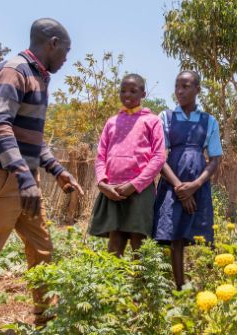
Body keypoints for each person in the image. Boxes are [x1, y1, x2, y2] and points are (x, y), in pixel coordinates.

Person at [0, 18, 83, 335]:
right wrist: (25, 178)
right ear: (52, 43)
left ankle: (47, 325)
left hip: (25, 182)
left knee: (43, 252)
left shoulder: (39, 77)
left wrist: (58, 171)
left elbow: (33, 141)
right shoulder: (15, 70)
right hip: (2, 179)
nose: (67, 58)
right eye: (66, 50)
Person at [153, 70, 223, 290]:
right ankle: (179, 286)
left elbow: (215, 158)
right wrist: (179, 187)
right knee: (175, 236)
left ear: (198, 90)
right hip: (171, 184)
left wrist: (194, 185)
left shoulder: (208, 121)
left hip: (198, 185)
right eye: (177, 86)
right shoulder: (165, 117)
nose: (180, 91)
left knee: (201, 233)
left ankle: (207, 285)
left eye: (186, 86)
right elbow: (159, 157)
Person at [88, 74, 166, 256]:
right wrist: (102, 183)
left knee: (139, 241)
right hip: (113, 190)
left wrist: (136, 184)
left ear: (143, 93)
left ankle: (140, 283)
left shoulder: (152, 121)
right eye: (123, 90)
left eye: (133, 90)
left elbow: (158, 157)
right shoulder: (112, 122)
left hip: (139, 190)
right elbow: (100, 156)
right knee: (115, 241)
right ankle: (114, 283)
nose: (127, 95)